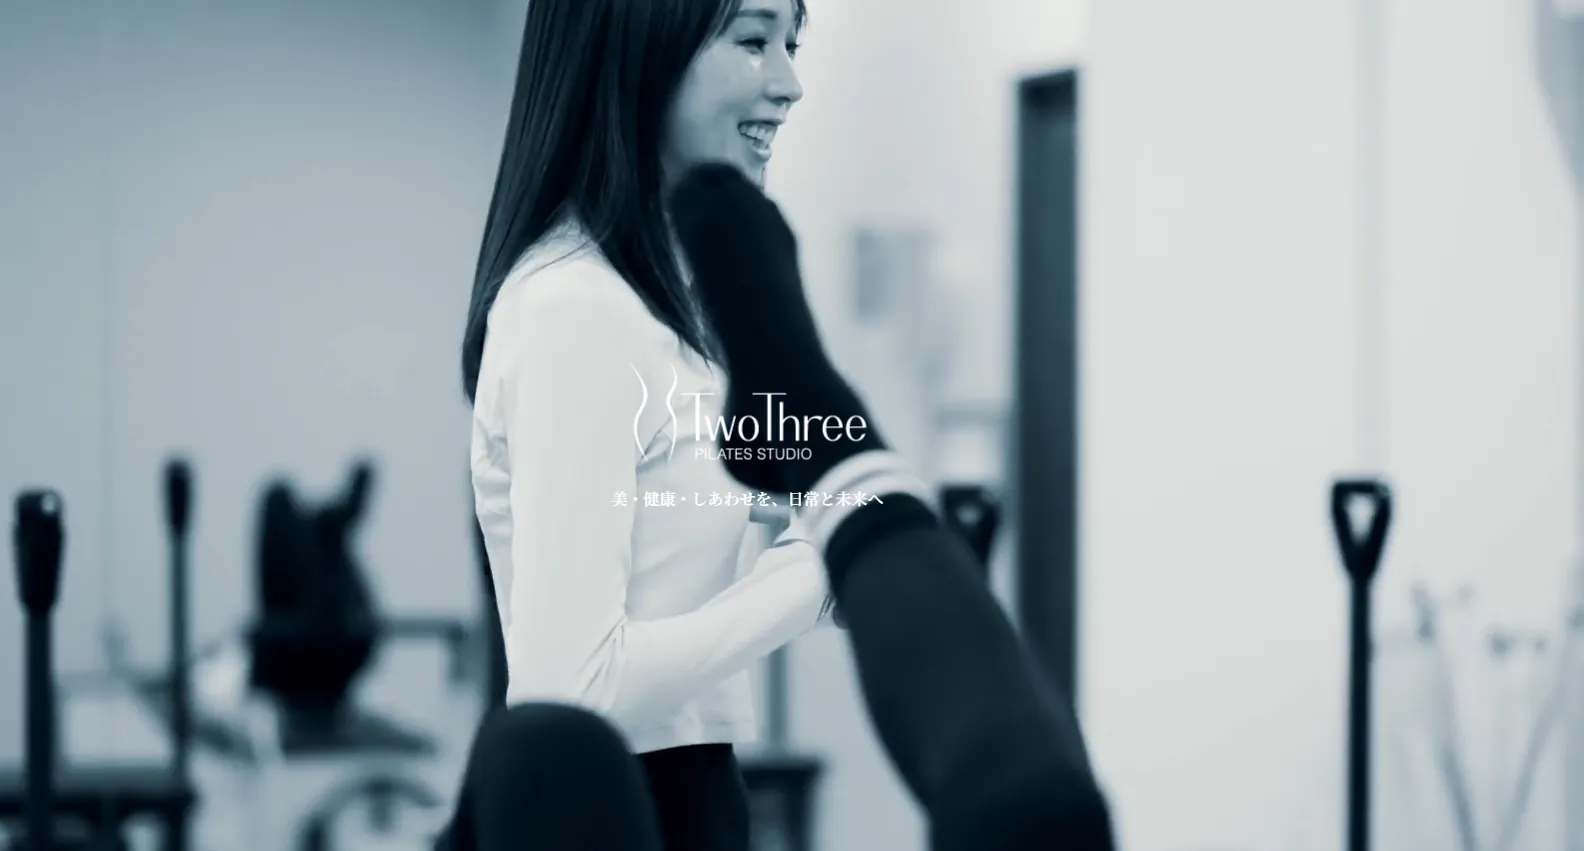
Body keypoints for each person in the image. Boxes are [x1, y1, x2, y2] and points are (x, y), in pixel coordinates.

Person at [459, 1, 824, 849]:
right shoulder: (574, 307)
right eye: (754, 40)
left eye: (792, 43)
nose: (789, 83)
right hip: (619, 810)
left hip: (687, 789)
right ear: (638, 48)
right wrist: (811, 574)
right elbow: (574, 690)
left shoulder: (656, 302)